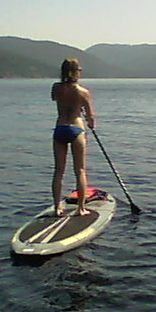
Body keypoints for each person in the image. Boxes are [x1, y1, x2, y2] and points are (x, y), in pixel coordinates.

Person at [51, 58, 96, 216]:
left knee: (58, 171)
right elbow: (90, 117)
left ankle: (57, 207)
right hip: (76, 129)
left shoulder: (56, 88)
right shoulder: (83, 92)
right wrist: (91, 123)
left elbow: (57, 99)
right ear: (77, 72)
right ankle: (81, 208)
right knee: (80, 170)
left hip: (60, 128)